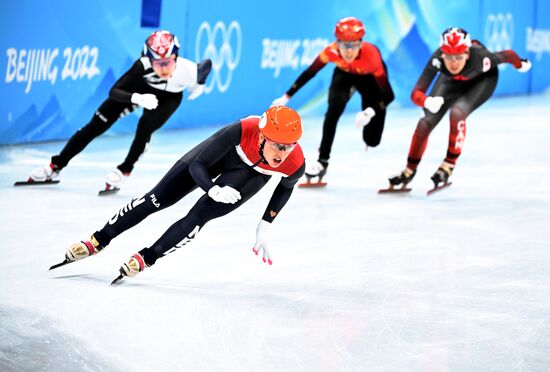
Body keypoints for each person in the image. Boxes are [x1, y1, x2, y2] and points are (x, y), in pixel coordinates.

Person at [51, 106, 305, 283]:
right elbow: (198, 166)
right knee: (156, 199)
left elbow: (285, 188)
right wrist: (212, 188)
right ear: (262, 135)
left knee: (198, 217)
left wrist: (265, 225)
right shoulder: (242, 129)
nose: (282, 153)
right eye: (277, 144)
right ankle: (99, 239)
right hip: (218, 158)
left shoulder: (295, 162)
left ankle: (147, 257)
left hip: (250, 176)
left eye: (289, 146)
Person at [28, 30, 212, 192]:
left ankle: (125, 169)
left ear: (176, 57)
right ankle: (55, 166)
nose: (164, 68)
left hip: (168, 99)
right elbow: (114, 91)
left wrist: (199, 84)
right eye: (158, 63)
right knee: (93, 127)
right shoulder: (141, 66)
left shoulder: (188, 70)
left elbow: (206, 65)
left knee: (145, 127)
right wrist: (137, 98)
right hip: (137, 91)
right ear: (149, 59)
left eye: (168, 62)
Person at [388, 27, 531, 189]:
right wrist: (427, 102)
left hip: (482, 81)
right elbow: (416, 93)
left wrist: (520, 64)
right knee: (424, 123)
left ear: (467, 54)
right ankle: (409, 170)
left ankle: (448, 165)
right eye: (449, 57)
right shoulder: (437, 60)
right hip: (451, 81)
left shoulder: (480, 59)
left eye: (458, 57)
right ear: (442, 54)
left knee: (457, 112)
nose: (454, 62)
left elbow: (508, 55)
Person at [271, 17, 394, 182]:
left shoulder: (372, 57)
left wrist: (370, 112)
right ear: (337, 43)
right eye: (344, 45)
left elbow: (388, 95)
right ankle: (322, 161)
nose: (349, 51)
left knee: (372, 140)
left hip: (368, 78)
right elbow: (310, 73)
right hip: (344, 76)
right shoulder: (330, 51)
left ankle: (369, 135)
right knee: (333, 111)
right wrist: (286, 96)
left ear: (361, 43)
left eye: (353, 45)